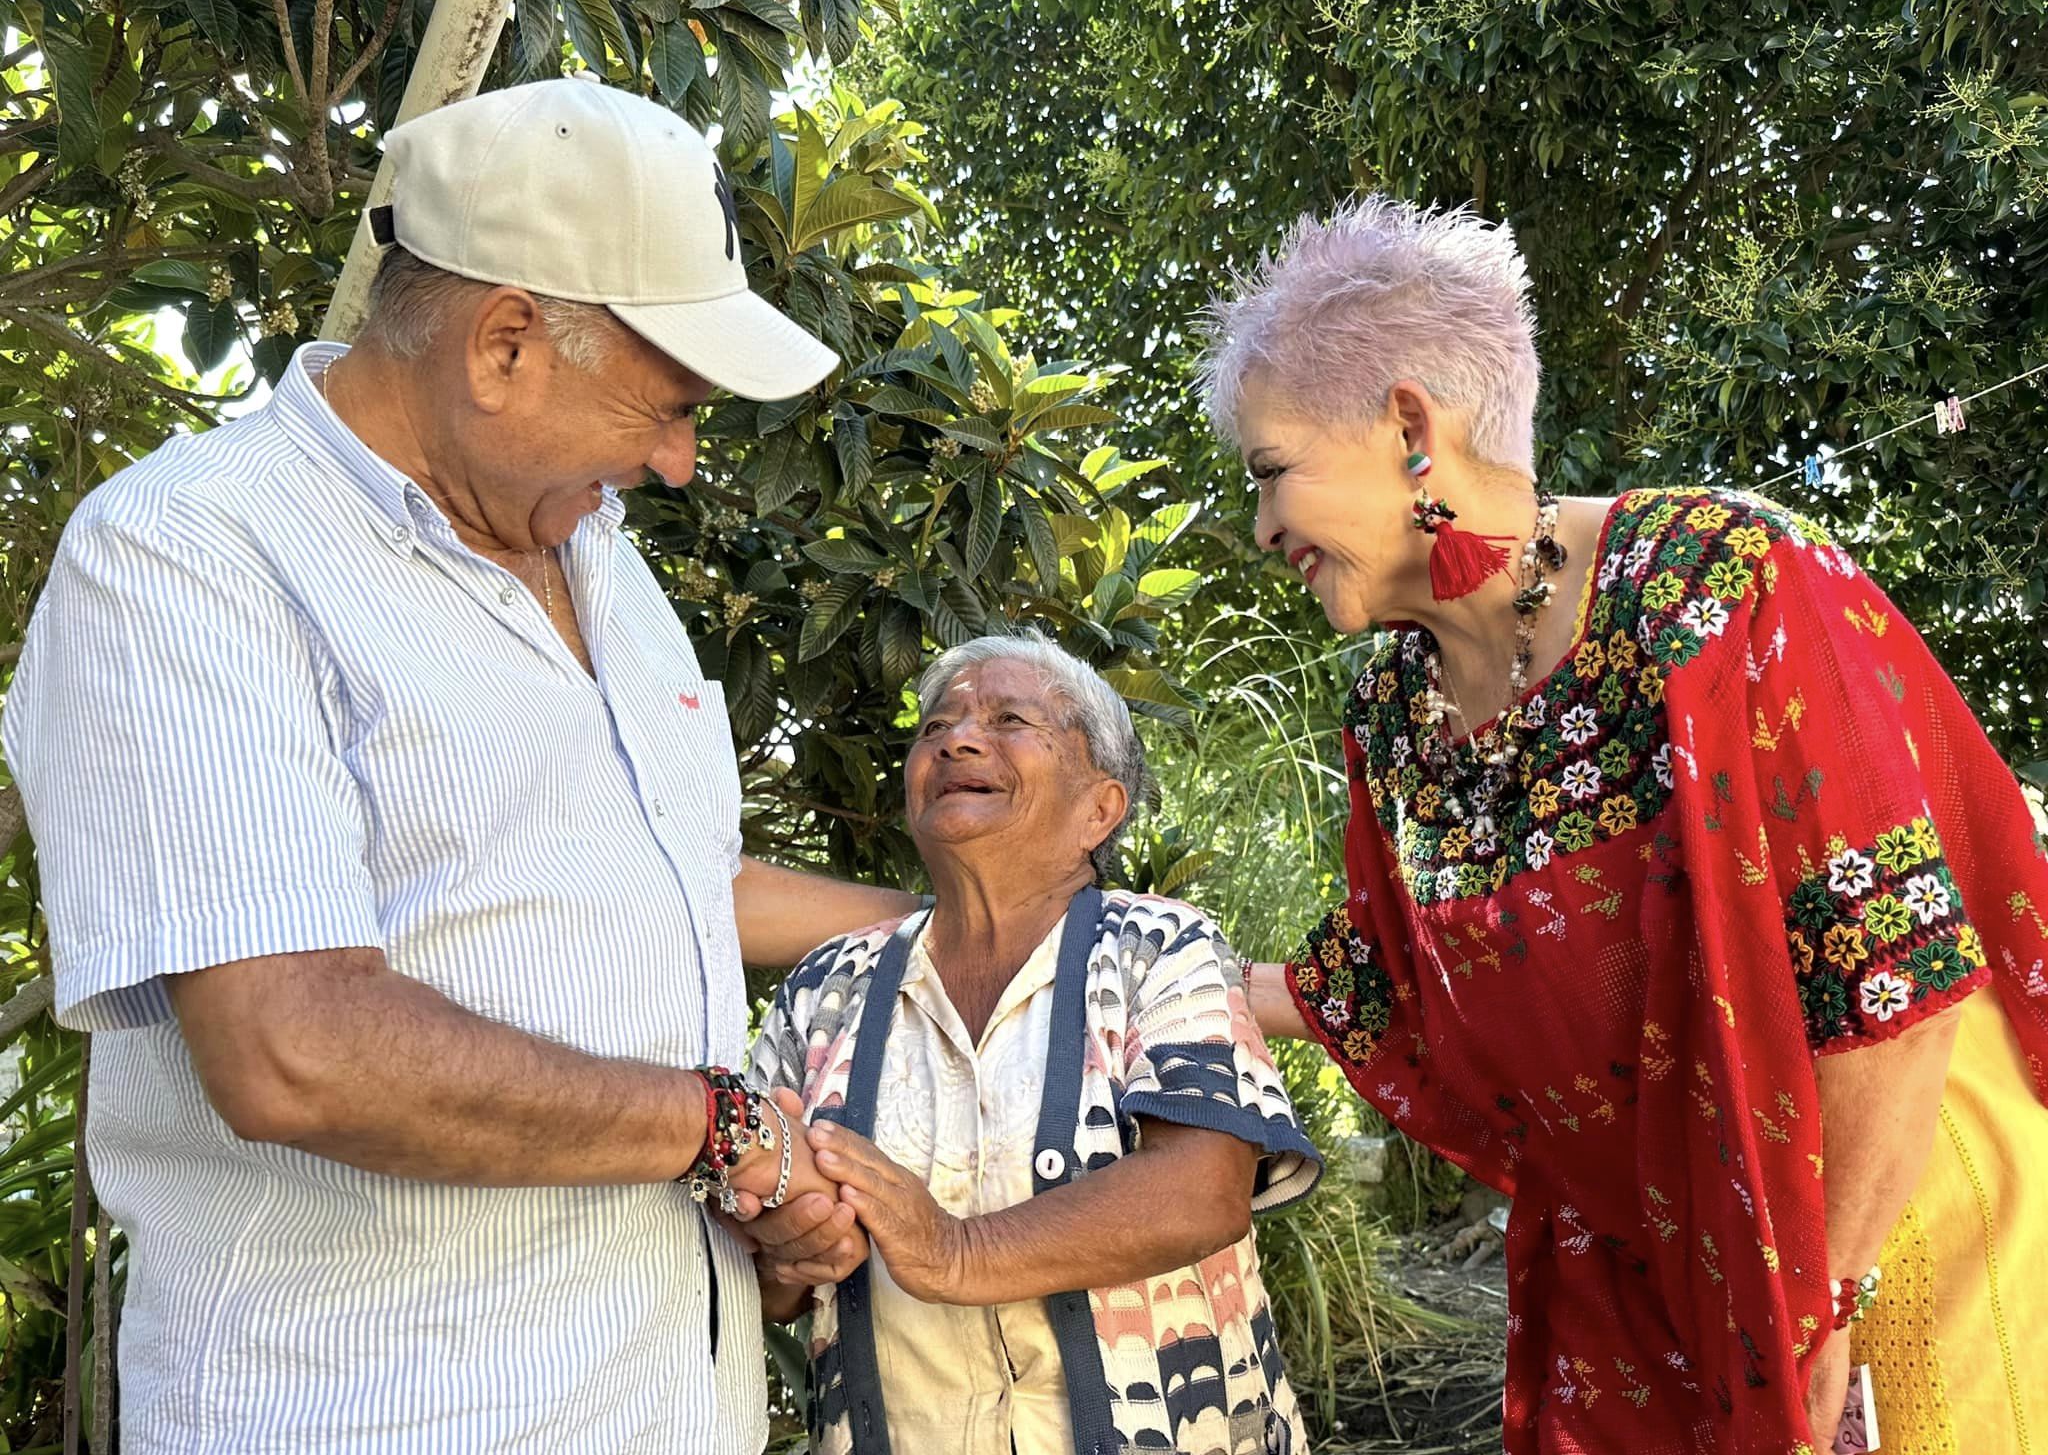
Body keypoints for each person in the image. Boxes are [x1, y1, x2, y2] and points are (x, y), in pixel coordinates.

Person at [1, 78, 902, 1453]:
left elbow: (660, 887)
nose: (676, 461)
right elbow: (292, 1045)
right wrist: (720, 1131)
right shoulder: (190, 555)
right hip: (383, 1411)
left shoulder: (600, 563)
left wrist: (981, 932)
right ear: (503, 345)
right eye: (666, 406)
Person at [1204, 199, 2048, 1454]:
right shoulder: (1389, 704)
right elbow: (1395, 983)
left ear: (1408, 428)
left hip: (1880, 1223)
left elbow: (1895, 985)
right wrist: (1176, 986)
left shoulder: (1727, 588)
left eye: (1272, 472)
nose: (1264, 528)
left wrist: (1815, 1308)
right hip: (1649, 1255)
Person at [742, 634, 1323, 1455]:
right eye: (933, 727)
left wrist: (955, 1251)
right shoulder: (824, 987)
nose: (957, 739)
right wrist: (786, 1251)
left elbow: (1202, 1191)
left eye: (1009, 718)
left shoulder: (1158, 947)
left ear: (1099, 809)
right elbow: (754, 1260)